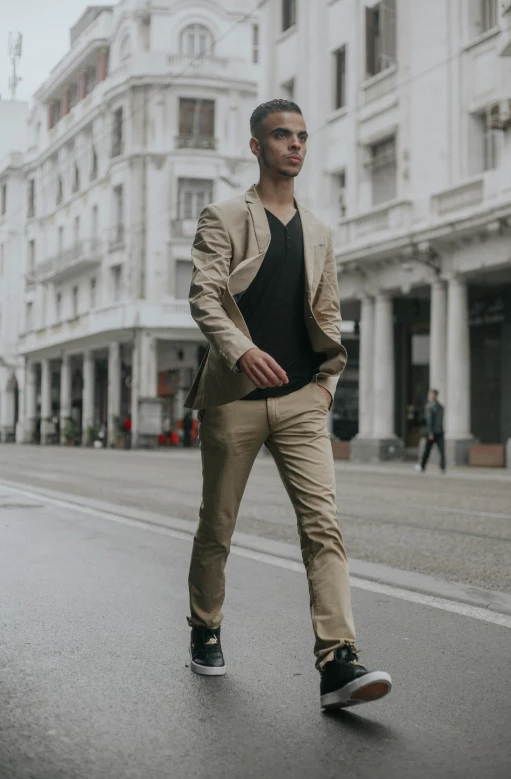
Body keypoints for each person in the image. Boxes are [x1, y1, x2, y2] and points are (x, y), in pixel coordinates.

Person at [184, 99, 392, 711]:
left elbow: (326, 314)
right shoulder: (223, 216)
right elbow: (204, 299)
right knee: (217, 526)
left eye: (301, 136)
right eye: (281, 135)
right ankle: (205, 626)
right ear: (256, 146)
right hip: (235, 400)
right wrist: (243, 351)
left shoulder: (321, 232)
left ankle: (337, 662)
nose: (294, 145)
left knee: (323, 526)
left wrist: (327, 384)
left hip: (303, 399)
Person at [419, 389, 445, 473]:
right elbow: (429, 420)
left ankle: (442, 467)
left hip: (437, 432)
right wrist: (430, 432)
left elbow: (429, 420)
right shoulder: (435, 406)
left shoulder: (436, 407)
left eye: (431, 394)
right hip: (434, 432)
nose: (430, 395)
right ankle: (422, 466)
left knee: (441, 451)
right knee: (427, 450)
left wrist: (430, 432)